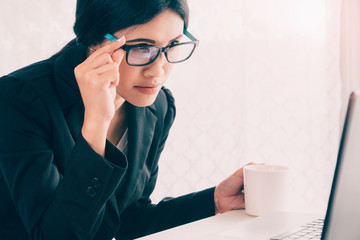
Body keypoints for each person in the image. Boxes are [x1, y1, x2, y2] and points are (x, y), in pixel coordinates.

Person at [0, 0, 246, 239]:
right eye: (141, 48)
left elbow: (128, 219)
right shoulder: (19, 99)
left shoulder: (158, 106)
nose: (158, 71)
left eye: (172, 45)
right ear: (96, 41)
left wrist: (214, 200)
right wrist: (97, 123)